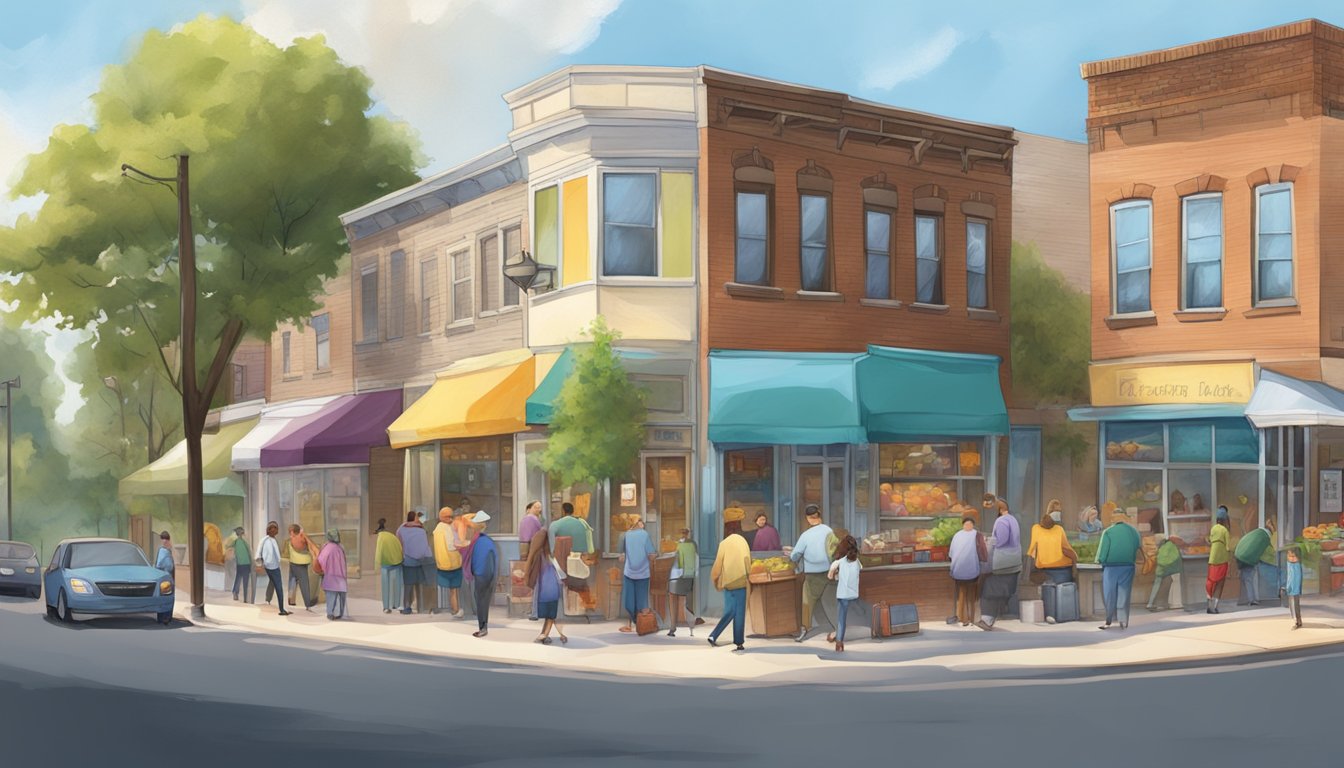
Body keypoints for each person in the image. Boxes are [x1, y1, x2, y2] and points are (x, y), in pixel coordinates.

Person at [789, 505, 836, 643]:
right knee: (831, 601)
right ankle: (837, 628)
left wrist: (792, 554)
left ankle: (804, 629)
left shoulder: (805, 535)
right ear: (819, 515)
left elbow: (795, 555)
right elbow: (834, 550)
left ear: (808, 519)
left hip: (812, 575)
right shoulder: (829, 531)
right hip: (829, 572)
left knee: (807, 602)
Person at [1096, 509, 1145, 630]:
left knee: (1110, 593)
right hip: (1128, 566)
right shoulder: (1134, 532)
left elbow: (1102, 553)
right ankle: (1123, 620)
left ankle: (1109, 620)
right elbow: (1138, 547)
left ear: (1113, 519)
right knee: (1124, 592)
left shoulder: (1108, 532)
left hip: (1111, 567)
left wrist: (1100, 560)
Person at [979, 495, 1021, 630]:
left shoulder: (1002, 521)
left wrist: (988, 541)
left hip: (1003, 562)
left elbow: (1001, 541)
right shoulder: (1013, 520)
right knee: (1001, 590)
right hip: (1013, 561)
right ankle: (993, 618)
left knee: (989, 589)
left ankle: (987, 619)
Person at [708, 523, 751, 652]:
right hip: (741, 581)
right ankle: (738, 642)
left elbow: (718, 564)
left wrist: (715, 580)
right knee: (739, 613)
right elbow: (747, 560)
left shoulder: (724, 544)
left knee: (730, 610)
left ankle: (714, 635)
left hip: (728, 583)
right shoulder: (743, 542)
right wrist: (748, 575)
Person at [524, 528, 567, 644]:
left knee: (549, 614)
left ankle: (546, 635)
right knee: (552, 615)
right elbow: (560, 573)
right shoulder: (550, 556)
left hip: (541, 592)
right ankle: (543, 635)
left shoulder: (535, 556)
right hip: (552, 590)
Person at [617, 515, 657, 633]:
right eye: (640, 521)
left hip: (629, 572)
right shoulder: (644, 534)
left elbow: (622, 555)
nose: (642, 523)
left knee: (629, 602)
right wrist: (654, 556)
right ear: (636, 523)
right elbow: (651, 553)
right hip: (643, 573)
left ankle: (635, 623)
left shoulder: (625, 535)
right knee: (642, 602)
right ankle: (641, 624)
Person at [948, 516, 987, 626]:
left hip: (958, 570)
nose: (968, 526)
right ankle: (972, 618)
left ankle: (963, 618)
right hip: (972, 570)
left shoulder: (957, 535)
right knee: (972, 594)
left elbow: (951, 554)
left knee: (961, 593)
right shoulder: (977, 535)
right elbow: (983, 552)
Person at [667, 528, 703, 637]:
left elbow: (695, 559)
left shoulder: (680, 545)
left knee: (684, 601)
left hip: (679, 575)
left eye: (685, 533)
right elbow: (696, 559)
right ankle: (675, 627)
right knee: (685, 601)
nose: (684, 535)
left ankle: (675, 627)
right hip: (685, 575)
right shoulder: (691, 544)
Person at [828, 535, 861, 652]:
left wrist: (836, 574)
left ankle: (839, 642)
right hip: (854, 593)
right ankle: (836, 636)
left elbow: (830, 576)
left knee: (841, 618)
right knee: (845, 615)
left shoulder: (838, 562)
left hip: (843, 594)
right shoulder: (857, 562)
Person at [1028, 507, 1077, 585]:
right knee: (1063, 593)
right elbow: (1065, 549)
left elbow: (1032, 551)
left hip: (1043, 570)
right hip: (1062, 570)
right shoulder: (1059, 529)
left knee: (1047, 594)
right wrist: (1075, 558)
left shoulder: (1035, 529)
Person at [468, 511, 498, 638]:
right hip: (486, 574)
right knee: (483, 601)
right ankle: (483, 626)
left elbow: (478, 560)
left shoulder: (480, 541)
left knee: (481, 601)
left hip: (481, 575)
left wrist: (475, 572)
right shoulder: (487, 541)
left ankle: (483, 627)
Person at [432, 507, 465, 618]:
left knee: (446, 588)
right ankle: (455, 609)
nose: (451, 519)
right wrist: (464, 544)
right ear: (442, 517)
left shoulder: (437, 529)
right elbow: (452, 545)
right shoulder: (447, 529)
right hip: (452, 563)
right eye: (448, 516)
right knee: (453, 590)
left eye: (452, 516)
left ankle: (451, 609)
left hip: (441, 564)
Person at [1234, 517, 1275, 607]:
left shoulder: (1257, 532)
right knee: (1249, 579)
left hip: (1240, 554)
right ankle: (1252, 599)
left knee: (1246, 578)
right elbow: (1268, 553)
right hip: (1248, 558)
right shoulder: (1265, 538)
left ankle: (1248, 599)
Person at [398, 510, 432, 614]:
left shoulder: (402, 529)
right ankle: (420, 607)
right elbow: (425, 546)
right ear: (415, 519)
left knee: (408, 585)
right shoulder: (421, 531)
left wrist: (405, 523)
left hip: (407, 561)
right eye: (417, 517)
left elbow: (398, 534)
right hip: (420, 562)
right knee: (419, 584)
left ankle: (407, 606)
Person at [517, 500, 545, 620]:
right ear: (528, 509)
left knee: (532, 580)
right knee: (535, 580)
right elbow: (530, 539)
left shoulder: (527, 520)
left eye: (539, 507)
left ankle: (533, 611)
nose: (538, 509)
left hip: (529, 552)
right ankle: (534, 611)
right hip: (533, 552)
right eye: (536, 507)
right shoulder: (531, 519)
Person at [257, 522, 290, 615]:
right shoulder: (270, 540)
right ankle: (281, 609)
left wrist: (262, 563)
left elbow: (259, 552)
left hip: (269, 566)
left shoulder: (264, 540)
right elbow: (277, 556)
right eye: (274, 528)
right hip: (273, 567)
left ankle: (268, 599)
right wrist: (260, 563)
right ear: (269, 530)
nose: (276, 530)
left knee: (272, 583)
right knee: (279, 588)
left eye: (276, 528)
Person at [1146, 534, 1184, 611]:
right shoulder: (1170, 545)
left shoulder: (1162, 546)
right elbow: (1169, 558)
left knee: (1157, 586)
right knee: (1174, 584)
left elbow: (1161, 559)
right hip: (1171, 569)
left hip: (1161, 569)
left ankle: (1151, 603)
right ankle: (1173, 604)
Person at [285, 524, 318, 611]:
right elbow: (311, 546)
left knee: (295, 582)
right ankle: (306, 604)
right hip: (298, 563)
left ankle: (295, 602)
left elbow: (310, 546)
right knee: (301, 583)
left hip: (297, 563)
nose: (290, 535)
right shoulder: (301, 538)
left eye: (291, 532)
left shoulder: (296, 539)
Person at [318, 528, 348, 620]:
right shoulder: (340, 547)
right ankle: (340, 613)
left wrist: (324, 569)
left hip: (330, 576)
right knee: (341, 597)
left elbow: (321, 560)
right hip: (341, 577)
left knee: (331, 596)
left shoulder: (327, 548)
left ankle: (330, 613)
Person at [374, 518, 403, 614]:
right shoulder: (392, 536)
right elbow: (399, 547)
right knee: (397, 585)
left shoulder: (381, 537)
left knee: (385, 585)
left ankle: (386, 606)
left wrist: (376, 564)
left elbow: (379, 551)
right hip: (397, 562)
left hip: (385, 563)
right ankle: (397, 604)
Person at [1207, 506, 1231, 614]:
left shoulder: (1213, 529)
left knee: (1211, 581)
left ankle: (1209, 605)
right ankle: (1214, 606)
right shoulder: (1225, 530)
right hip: (1222, 560)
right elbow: (1228, 547)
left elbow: (1210, 540)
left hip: (1212, 559)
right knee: (1220, 583)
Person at [1280, 546, 1304, 629]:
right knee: (1291, 606)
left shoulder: (1298, 566)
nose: (1291, 558)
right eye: (1289, 556)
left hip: (1295, 589)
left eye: (1294, 556)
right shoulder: (1287, 565)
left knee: (1296, 605)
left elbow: (1299, 578)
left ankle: (1298, 620)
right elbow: (1285, 576)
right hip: (1288, 588)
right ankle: (1295, 620)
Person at [154, 530, 174, 625]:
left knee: (165, 597)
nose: (165, 541)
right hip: (164, 576)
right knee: (165, 597)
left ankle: (165, 617)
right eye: (163, 539)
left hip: (167, 576)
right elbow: (159, 564)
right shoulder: (163, 551)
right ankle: (164, 617)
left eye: (166, 539)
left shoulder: (167, 550)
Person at [230, 526, 253, 603]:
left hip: (240, 563)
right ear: (241, 534)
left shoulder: (236, 542)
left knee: (238, 578)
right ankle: (245, 597)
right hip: (246, 563)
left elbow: (228, 546)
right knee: (245, 580)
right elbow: (249, 551)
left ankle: (235, 593)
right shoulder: (244, 542)